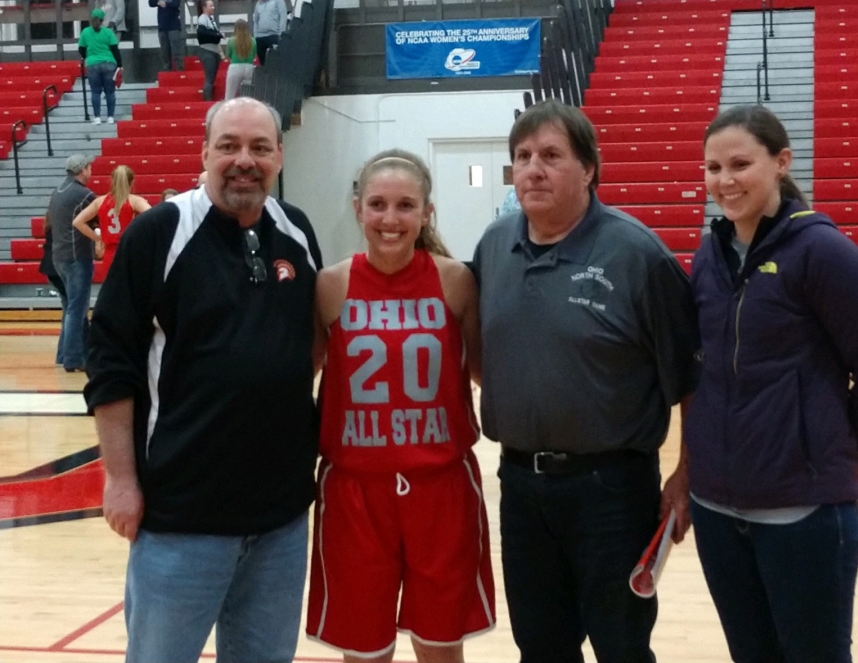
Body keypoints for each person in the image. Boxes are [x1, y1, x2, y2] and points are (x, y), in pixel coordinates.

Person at [83, 97, 322, 663]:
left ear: (279, 156)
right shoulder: (160, 233)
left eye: (260, 147)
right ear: (205, 153)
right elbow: (110, 359)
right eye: (229, 146)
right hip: (180, 521)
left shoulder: (298, 231)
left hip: (280, 523)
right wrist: (120, 479)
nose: (245, 160)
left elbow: (309, 340)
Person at [471, 98, 699, 663]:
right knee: (541, 647)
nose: (533, 169)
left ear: (589, 169)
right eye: (522, 157)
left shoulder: (637, 254)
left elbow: (693, 379)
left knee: (621, 646)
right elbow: (484, 352)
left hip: (612, 492)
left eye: (551, 155)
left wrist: (687, 475)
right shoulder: (494, 246)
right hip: (521, 486)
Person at [684, 104, 858, 663]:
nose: (724, 182)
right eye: (712, 168)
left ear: (781, 162)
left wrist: (830, 454)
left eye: (739, 164)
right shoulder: (709, 254)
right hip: (717, 510)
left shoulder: (826, 254)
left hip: (802, 513)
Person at [306, 149, 495, 662]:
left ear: (427, 213)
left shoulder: (456, 280)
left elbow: (483, 372)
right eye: (378, 204)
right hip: (355, 493)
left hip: (442, 489)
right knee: (365, 651)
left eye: (406, 205)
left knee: (440, 646)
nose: (390, 219)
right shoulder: (331, 284)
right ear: (357, 209)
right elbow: (296, 379)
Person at [47, 154, 97, 373]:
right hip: (77, 257)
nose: (91, 171)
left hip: (58, 257)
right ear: (83, 170)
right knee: (78, 308)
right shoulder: (85, 195)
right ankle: (74, 358)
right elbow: (97, 219)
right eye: (89, 167)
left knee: (69, 307)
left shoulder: (58, 191)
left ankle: (65, 354)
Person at [72, 165, 152, 273]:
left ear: (112, 181)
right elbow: (154, 217)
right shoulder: (135, 201)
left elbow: (77, 222)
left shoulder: (100, 201)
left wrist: (97, 238)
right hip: (130, 252)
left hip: (109, 253)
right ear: (132, 181)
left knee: (112, 288)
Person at [78, 8, 122, 125]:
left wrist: (88, 57)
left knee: (95, 92)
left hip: (92, 64)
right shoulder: (108, 32)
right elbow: (115, 49)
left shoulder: (85, 32)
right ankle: (110, 117)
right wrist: (120, 65)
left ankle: (97, 117)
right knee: (110, 92)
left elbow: (81, 49)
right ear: (103, 20)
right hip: (108, 63)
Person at [39, 215, 68, 366]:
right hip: (58, 266)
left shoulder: (51, 221)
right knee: (74, 312)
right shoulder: (63, 223)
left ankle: (62, 354)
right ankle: (68, 354)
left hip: (49, 268)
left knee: (68, 310)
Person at [194, 0, 223, 101]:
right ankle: (207, 99)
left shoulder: (210, 19)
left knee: (211, 77)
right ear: (204, 8)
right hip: (207, 51)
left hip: (213, 51)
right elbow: (202, 33)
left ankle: (209, 97)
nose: (213, 8)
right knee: (209, 78)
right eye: (210, 6)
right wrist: (217, 35)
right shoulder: (203, 19)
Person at [149, 0, 184, 72]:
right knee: (164, 53)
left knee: (176, 52)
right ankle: (167, 73)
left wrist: (165, 4)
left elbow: (176, 3)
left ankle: (180, 72)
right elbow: (151, 3)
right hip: (162, 27)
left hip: (174, 26)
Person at [224, 20, 257, 100]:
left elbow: (228, 55)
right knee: (248, 96)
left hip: (235, 67)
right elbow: (254, 56)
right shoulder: (253, 41)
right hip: (249, 67)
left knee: (229, 95)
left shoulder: (231, 40)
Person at [252, 0, 286, 66]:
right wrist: (255, 36)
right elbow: (256, 21)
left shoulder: (278, 1)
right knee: (262, 63)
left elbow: (283, 18)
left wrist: (281, 35)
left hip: (274, 35)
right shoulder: (258, 4)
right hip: (260, 37)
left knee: (275, 62)